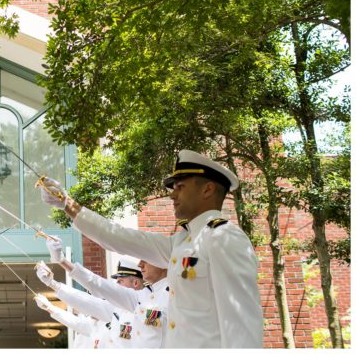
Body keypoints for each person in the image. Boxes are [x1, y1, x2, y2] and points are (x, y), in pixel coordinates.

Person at [38, 149, 264, 348]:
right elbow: (120, 237)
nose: (173, 194)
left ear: (207, 190)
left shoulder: (223, 237)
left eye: (181, 187)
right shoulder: (181, 242)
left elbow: (241, 324)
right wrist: (67, 204)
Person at [47, 239, 169, 349]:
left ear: (163, 262)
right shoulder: (140, 297)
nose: (140, 264)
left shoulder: (176, 294)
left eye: (146, 259)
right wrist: (58, 273)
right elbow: (95, 291)